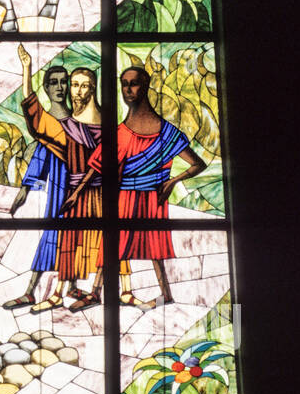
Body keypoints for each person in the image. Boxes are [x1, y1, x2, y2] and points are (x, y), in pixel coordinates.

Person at [63, 65, 205, 308]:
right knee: (113, 243)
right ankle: (97, 292)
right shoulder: (119, 132)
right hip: (125, 196)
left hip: (153, 196)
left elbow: (197, 164)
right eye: (124, 84)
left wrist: (172, 181)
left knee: (154, 248)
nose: (128, 89)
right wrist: (76, 193)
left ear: (146, 86)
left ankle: (166, 294)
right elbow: (97, 166)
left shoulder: (166, 133)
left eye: (134, 83)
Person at [4, 53, 70, 309]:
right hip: (58, 187)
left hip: (79, 185)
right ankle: (32, 290)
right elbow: (42, 153)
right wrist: (25, 187)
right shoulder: (48, 123)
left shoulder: (78, 123)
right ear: (46, 87)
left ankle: (70, 289)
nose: (59, 87)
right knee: (51, 236)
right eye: (53, 82)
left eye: (63, 81)